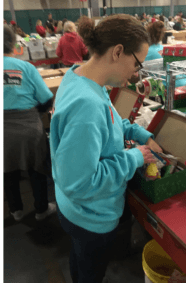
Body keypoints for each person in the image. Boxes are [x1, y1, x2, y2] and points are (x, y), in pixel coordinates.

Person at [50, 14, 162, 283]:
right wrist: (134, 157)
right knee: (90, 272)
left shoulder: (81, 77)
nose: (136, 73)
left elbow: (113, 120)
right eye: (137, 64)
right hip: (89, 217)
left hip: (75, 209)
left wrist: (142, 135)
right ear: (118, 52)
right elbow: (79, 181)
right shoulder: (87, 105)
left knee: (80, 263)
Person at [4, 25, 56, 222]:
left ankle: (15, 211)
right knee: (37, 169)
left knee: (7, 172)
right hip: (28, 127)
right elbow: (46, 99)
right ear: (14, 44)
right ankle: (42, 209)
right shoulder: (26, 67)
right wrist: (36, 113)